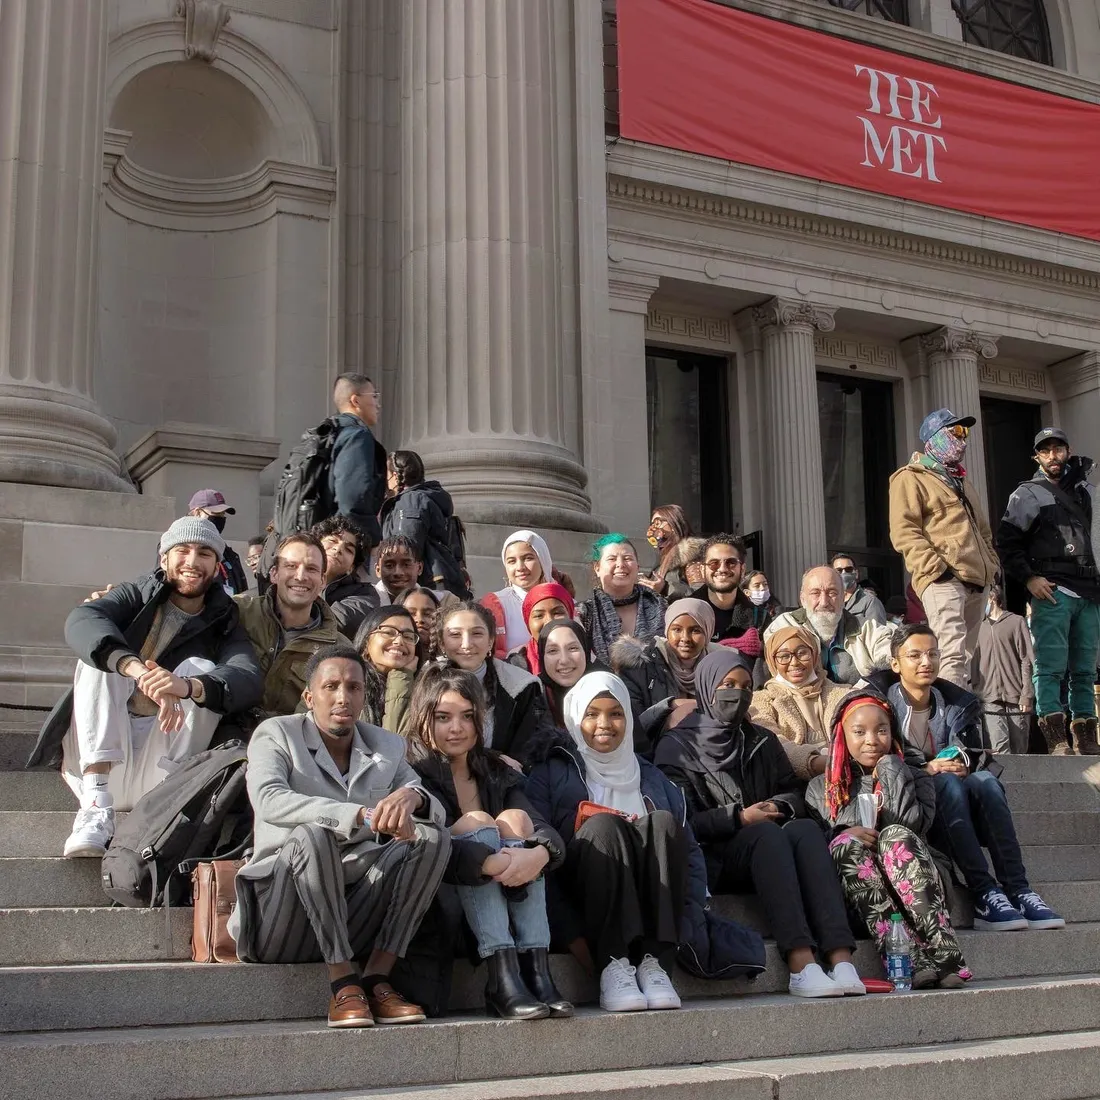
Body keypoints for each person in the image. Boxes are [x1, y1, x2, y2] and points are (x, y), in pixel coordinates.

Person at [228, 645, 448, 1028]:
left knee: (432, 838)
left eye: (353, 687)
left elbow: (435, 806)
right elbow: (268, 800)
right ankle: (343, 983)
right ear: (309, 696)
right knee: (312, 836)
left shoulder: (387, 745)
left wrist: (413, 797)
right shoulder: (277, 733)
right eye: (331, 686)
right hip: (282, 912)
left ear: (365, 695)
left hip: (354, 909)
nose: (342, 697)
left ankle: (377, 977)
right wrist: (359, 815)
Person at [26, 517, 264, 857]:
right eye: (182, 551)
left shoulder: (223, 617)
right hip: (103, 759)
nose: (192, 562)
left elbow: (247, 676)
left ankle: (160, 807)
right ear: (164, 558)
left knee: (202, 670)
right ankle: (95, 808)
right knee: (101, 658)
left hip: (161, 771)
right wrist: (136, 670)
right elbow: (82, 621)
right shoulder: (135, 594)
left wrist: (184, 686)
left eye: (204, 553)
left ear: (217, 566)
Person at [654, 649, 863, 998]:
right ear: (706, 688)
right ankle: (800, 961)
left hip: (769, 847)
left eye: (746, 685)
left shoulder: (760, 739)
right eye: (727, 684)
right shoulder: (677, 748)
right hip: (715, 854)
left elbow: (792, 791)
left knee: (806, 829)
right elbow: (681, 819)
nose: (737, 693)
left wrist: (776, 804)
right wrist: (738, 817)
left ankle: (841, 957)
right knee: (765, 834)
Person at [868, 624, 1064, 933]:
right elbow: (876, 758)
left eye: (933, 654)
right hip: (911, 806)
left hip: (957, 800)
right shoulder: (879, 704)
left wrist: (964, 762)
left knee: (984, 781)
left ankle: (1019, 889)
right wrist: (926, 769)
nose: (926, 662)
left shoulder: (958, 702)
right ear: (895, 663)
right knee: (945, 782)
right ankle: (984, 891)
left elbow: (980, 754)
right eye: (915, 655)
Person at [405, 665, 572, 1019]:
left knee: (514, 819)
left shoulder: (495, 769)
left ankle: (536, 972)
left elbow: (542, 827)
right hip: (448, 905)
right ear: (422, 719)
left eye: (468, 716)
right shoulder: (412, 774)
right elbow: (424, 847)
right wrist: (487, 862)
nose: (457, 728)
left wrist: (539, 854)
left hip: (509, 894)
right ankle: (501, 979)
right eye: (443, 717)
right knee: (477, 822)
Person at [525, 672, 692, 1013]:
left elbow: (691, 858)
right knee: (604, 826)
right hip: (582, 903)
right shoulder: (550, 772)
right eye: (592, 714)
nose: (605, 724)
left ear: (629, 719)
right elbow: (539, 854)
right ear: (575, 718)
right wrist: (575, 941)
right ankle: (614, 963)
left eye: (616, 713)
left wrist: (693, 917)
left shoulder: (653, 777)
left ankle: (654, 963)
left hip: (650, 908)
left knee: (662, 822)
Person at [805, 692, 970, 989]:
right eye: (859, 732)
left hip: (919, 887)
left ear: (893, 733)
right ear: (842, 736)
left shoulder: (916, 776)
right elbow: (815, 845)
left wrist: (892, 769)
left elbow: (908, 826)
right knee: (844, 845)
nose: (872, 740)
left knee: (895, 836)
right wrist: (842, 833)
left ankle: (946, 957)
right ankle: (910, 960)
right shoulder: (821, 789)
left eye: (882, 730)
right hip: (861, 895)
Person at [996, 427, 1100, 755]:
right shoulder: (1026, 494)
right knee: (1049, 666)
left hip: (1090, 591)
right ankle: (1055, 738)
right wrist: (1029, 579)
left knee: (1085, 668)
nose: (1052, 455)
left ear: (1067, 451)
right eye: (1045, 450)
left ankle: (1086, 737)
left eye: (1058, 448)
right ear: (1037, 457)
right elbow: (1007, 543)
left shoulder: (1089, 491)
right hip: (1052, 590)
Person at [889, 408, 999, 689]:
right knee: (949, 655)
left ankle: (961, 719)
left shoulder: (961, 481)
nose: (962, 440)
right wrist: (937, 571)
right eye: (955, 432)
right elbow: (904, 532)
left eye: (965, 432)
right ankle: (950, 727)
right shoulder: (910, 477)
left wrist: (992, 567)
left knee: (966, 658)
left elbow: (983, 531)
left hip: (977, 581)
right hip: (944, 580)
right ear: (934, 439)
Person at [435, 601, 556, 769]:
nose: (466, 644)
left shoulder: (522, 686)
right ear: (442, 642)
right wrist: (492, 757)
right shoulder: (428, 682)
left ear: (491, 641)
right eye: (455, 635)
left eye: (477, 634)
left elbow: (524, 751)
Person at [234, 532, 341, 720]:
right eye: (291, 566)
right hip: (223, 735)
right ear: (274, 573)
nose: (301, 576)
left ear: (323, 581)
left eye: (311, 569)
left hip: (287, 742)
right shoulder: (238, 612)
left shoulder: (337, 650)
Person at [612, 598, 718, 753]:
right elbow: (632, 724)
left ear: (708, 631)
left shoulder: (722, 665)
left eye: (695, 630)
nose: (685, 638)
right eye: (677, 629)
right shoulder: (639, 666)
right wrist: (671, 707)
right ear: (667, 630)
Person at [749, 623, 849, 781]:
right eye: (783, 656)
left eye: (802, 653)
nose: (794, 662)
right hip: (793, 783)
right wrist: (815, 762)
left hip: (843, 776)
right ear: (772, 661)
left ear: (815, 655)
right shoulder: (762, 700)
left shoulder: (842, 694)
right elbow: (774, 743)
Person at [766, 565, 893, 685]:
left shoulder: (866, 628)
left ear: (843, 597)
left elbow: (890, 657)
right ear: (802, 599)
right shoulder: (784, 626)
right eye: (815, 593)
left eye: (832, 593)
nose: (824, 602)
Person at [380, 450, 470, 598]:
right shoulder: (427, 496)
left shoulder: (410, 502)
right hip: (439, 577)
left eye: (387, 476)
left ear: (395, 477)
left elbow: (405, 547)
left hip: (424, 583)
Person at [577, 534, 666, 667]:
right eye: (612, 559)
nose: (621, 564)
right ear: (597, 568)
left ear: (637, 566)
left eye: (628, 558)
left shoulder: (660, 606)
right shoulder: (584, 613)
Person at [971, 585, 1035, 755]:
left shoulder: (1016, 621)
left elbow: (1026, 659)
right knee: (999, 747)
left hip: (1016, 695)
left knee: (1019, 747)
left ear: (992, 598)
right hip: (988, 696)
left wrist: (1027, 693)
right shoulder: (977, 627)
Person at [329, 373, 387, 548]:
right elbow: (353, 499)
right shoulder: (357, 436)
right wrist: (374, 540)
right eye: (374, 396)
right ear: (356, 401)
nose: (378, 404)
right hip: (342, 542)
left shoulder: (327, 434)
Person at [482, 530, 556, 658]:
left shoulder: (563, 601)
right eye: (511, 561)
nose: (520, 567)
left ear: (543, 560)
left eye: (528, 558)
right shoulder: (496, 604)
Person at [352, 605, 420, 733]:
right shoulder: (348, 684)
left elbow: (395, 743)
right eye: (388, 632)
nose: (399, 641)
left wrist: (401, 678)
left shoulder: (424, 690)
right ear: (366, 641)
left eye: (408, 636)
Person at [311, 516, 380, 640]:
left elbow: (338, 621)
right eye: (332, 541)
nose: (338, 549)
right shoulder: (294, 577)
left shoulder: (365, 595)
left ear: (352, 566)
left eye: (348, 549)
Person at [187, 489, 249, 595]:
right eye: (216, 514)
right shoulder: (178, 547)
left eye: (222, 514)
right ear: (197, 513)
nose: (220, 519)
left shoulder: (228, 553)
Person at [536, 620, 596, 728]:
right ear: (542, 656)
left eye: (573, 648)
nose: (564, 660)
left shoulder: (606, 688)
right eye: (553, 651)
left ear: (586, 651)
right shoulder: (532, 697)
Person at [506, 582, 575, 675]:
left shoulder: (586, 657)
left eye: (558, 613)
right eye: (539, 615)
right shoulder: (514, 663)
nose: (549, 622)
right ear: (528, 621)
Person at [640, 504, 695, 598]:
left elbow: (700, 594)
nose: (653, 528)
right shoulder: (661, 560)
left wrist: (665, 588)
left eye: (657, 523)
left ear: (673, 524)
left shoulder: (692, 555)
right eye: (652, 524)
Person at [831, 554, 887, 627]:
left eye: (849, 569)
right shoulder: (829, 601)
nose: (844, 573)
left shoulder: (870, 601)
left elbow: (878, 633)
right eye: (839, 570)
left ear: (856, 574)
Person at [373, 535, 424, 607]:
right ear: (378, 570)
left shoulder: (436, 603)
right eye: (389, 565)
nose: (398, 572)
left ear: (419, 568)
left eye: (406, 564)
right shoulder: (366, 604)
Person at [395, 585, 443, 658]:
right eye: (411, 613)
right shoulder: (391, 659)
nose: (420, 619)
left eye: (427, 614)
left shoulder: (447, 663)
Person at [742, 570, 782, 634]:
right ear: (747, 592)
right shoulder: (741, 612)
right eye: (757, 586)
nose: (762, 588)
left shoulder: (777, 610)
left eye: (765, 584)